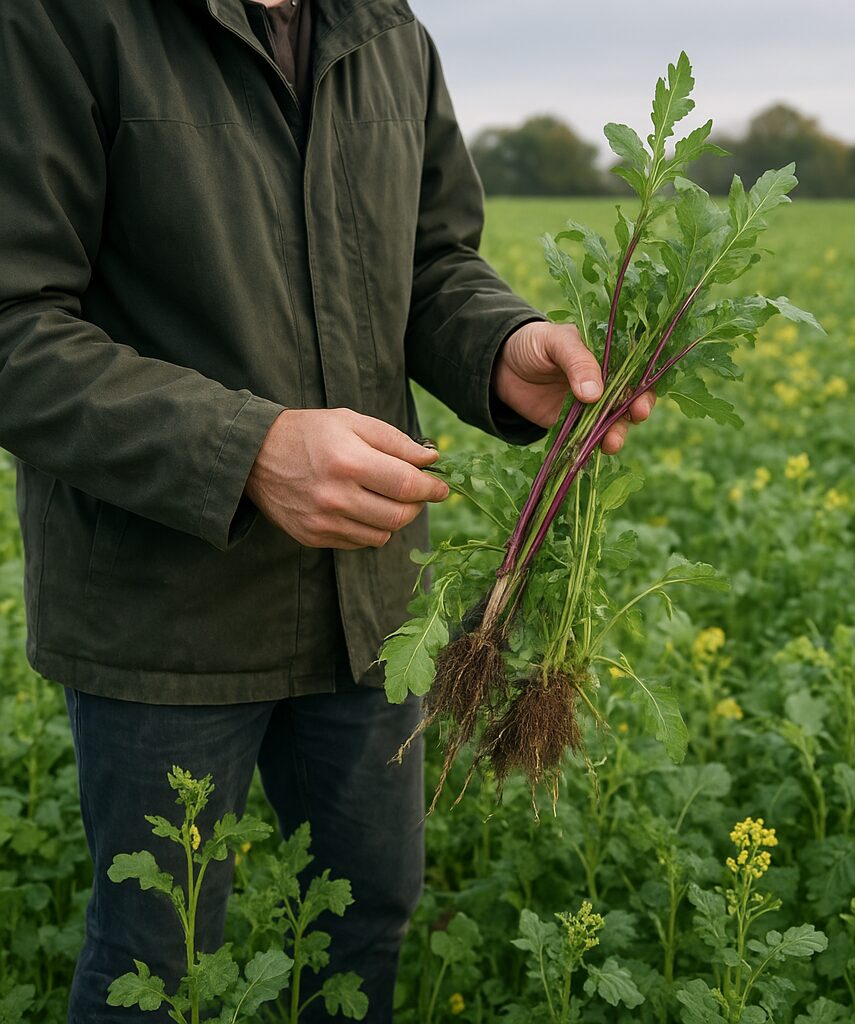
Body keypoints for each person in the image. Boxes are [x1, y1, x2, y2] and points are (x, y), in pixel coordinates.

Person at [0, 0, 654, 1021]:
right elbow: (15, 327)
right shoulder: (59, 22)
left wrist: (502, 346)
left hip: (370, 607)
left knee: (365, 929)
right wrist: (246, 450)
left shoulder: (387, 35)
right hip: (162, 613)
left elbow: (431, 264)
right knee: (156, 964)